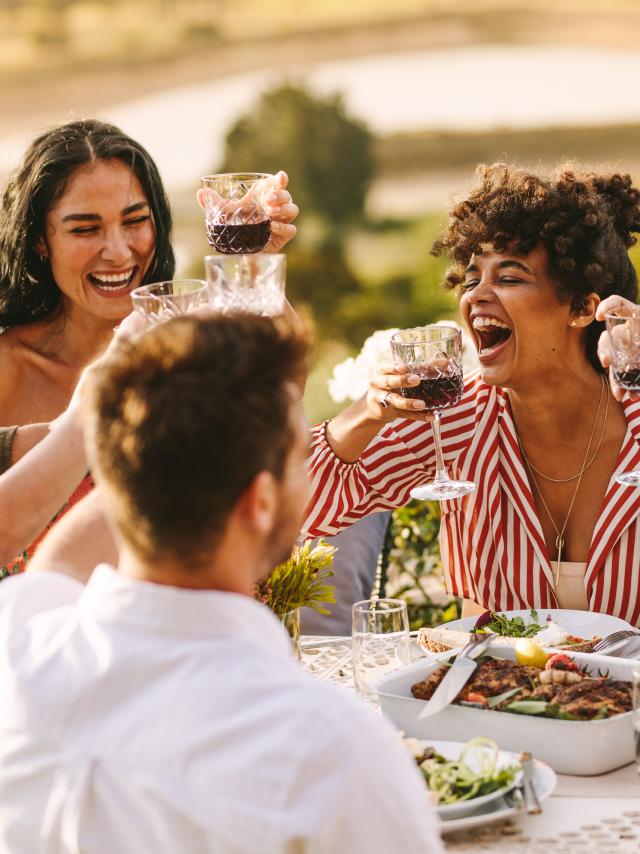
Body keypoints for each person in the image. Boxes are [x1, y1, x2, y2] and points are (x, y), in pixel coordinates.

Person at [0, 313, 442, 853]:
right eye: (298, 458)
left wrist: (135, 438)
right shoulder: (329, 748)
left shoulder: (17, 647)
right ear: (259, 503)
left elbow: (58, 569)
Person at [303, 164, 640, 625]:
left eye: (510, 278)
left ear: (582, 307)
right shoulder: (460, 418)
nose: (475, 295)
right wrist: (367, 413)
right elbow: (296, 509)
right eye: (471, 278)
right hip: (490, 692)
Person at [0, 118, 297, 571]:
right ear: (41, 240)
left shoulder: (187, 347)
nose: (118, 251)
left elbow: (286, 386)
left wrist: (251, 262)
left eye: (135, 221)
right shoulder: (7, 368)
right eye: (85, 229)